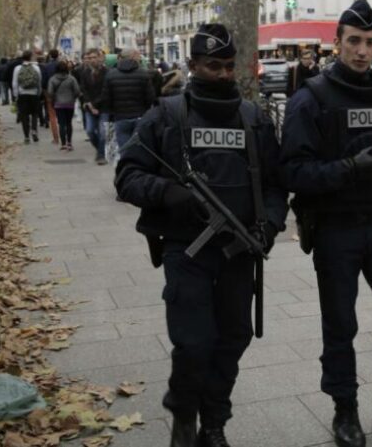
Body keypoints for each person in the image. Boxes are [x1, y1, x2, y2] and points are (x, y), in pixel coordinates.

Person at [115, 23, 288, 447]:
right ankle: (183, 416)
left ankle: (214, 422)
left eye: (230, 66)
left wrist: (269, 225)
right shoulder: (166, 116)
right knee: (193, 342)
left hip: (238, 250)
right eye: (214, 66)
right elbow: (127, 176)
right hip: (185, 250)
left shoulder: (254, 119)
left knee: (233, 338)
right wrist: (167, 192)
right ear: (192, 65)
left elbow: (276, 183)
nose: (224, 74)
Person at [280, 0, 372, 447]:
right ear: (336, 43)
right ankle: (345, 412)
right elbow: (291, 173)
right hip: (335, 228)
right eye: (353, 42)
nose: (362, 51)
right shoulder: (311, 99)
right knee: (340, 325)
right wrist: (349, 168)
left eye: (369, 42)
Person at [99, 47, 155, 150]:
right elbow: (150, 97)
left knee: (124, 149)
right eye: (138, 56)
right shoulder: (143, 74)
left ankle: (126, 165)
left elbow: (106, 98)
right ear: (133, 56)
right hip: (140, 116)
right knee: (140, 148)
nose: (140, 58)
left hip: (120, 117)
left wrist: (112, 113)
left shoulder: (111, 75)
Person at [78, 49, 110, 165]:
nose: (92, 60)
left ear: (99, 58)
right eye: (89, 58)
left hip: (104, 107)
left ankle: (101, 155)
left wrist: (95, 105)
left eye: (94, 57)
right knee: (90, 131)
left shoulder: (107, 72)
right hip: (89, 107)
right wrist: (89, 104)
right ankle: (101, 149)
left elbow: (106, 91)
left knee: (102, 132)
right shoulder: (85, 72)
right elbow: (83, 89)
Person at [48, 59, 82, 151]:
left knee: (61, 124)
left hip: (58, 104)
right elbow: (77, 91)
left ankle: (63, 144)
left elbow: (50, 92)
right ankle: (69, 143)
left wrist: (54, 97)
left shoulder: (53, 79)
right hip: (70, 104)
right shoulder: (71, 78)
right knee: (69, 123)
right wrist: (73, 98)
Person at [12, 50, 43, 144]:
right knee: (34, 114)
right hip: (34, 94)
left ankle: (26, 136)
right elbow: (39, 82)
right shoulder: (36, 68)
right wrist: (39, 93)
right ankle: (34, 130)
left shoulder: (17, 68)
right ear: (31, 57)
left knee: (24, 116)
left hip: (22, 94)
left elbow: (14, 83)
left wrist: (16, 94)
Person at [41, 49, 61, 141]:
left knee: (52, 115)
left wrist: (44, 91)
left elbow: (44, 81)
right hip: (62, 92)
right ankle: (64, 134)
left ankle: (55, 137)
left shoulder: (46, 66)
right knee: (62, 114)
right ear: (58, 55)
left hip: (50, 92)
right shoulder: (62, 64)